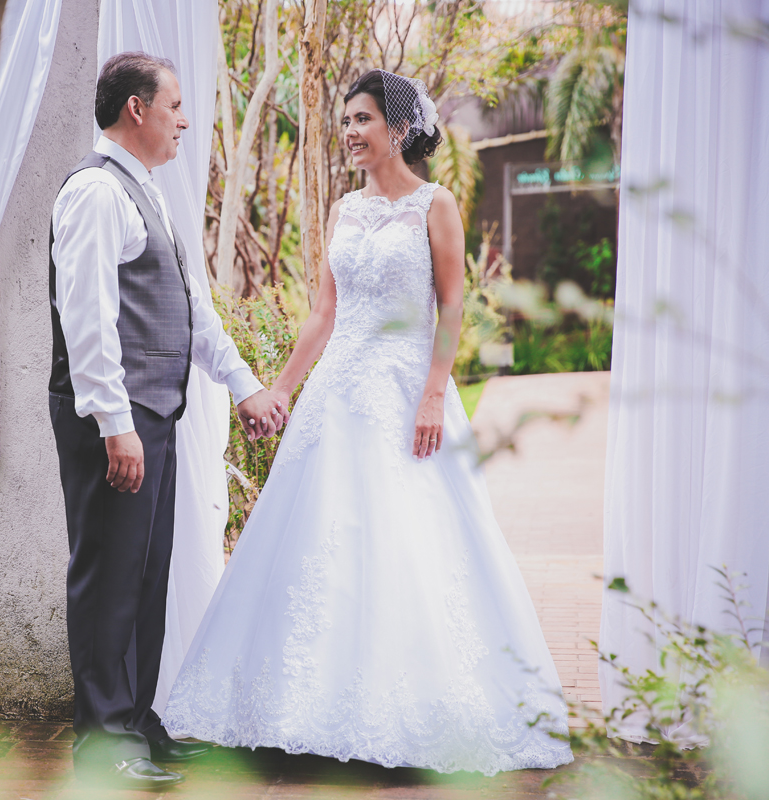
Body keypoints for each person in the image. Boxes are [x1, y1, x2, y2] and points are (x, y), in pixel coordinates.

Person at [161, 69, 574, 776]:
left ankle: (415, 715)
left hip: (407, 391)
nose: (350, 134)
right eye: (346, 122)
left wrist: (436, 394)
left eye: (362, 121)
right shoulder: (345, 213)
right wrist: (283, 390)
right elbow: (325, 314)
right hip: (338, 396)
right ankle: (297, 713)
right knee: (317, 540)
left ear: (400, 129)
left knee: (410, 540)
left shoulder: (435, 206)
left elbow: (451, 307)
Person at [48, 51, 286, 790]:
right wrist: (115, 424)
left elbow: (194, 312)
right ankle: (103, 741)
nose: (186, 119)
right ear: (137, 110)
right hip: (113, 418)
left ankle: (135, 721)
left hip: (153, 411)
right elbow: (87, 319)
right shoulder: (94, 192)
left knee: (145, 578)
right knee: (108, 576)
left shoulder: (145, 191)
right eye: (176, 105)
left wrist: (243, 384)